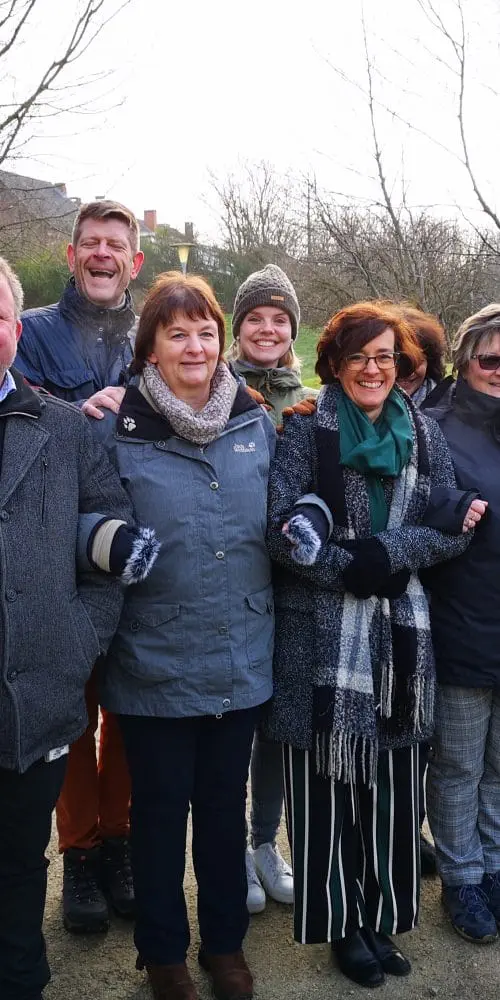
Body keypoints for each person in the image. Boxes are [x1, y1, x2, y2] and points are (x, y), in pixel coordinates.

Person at [265, 301, 469, 989]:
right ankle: (340, 924)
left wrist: (388, 554)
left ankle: (379, 916)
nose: (372, 368)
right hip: (321, 639)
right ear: (333, 363)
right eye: (358, 356)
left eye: (385, 356)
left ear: (401, 363)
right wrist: (346, 567)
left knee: (392, 791)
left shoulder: (423, 431)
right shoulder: (305, 430)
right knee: (327, 792)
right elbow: (280, 529)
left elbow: (454, 522)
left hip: (402, 635)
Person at [88, 271, 275, 1000]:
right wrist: (107, 540)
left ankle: (224, 945)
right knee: (160, 816)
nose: (194, 346)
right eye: (177, 333)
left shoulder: (255, 422)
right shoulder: (115, 426)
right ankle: (162, 952)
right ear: (150, 349)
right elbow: (82, 511)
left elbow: (293, 500)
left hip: (240, 652)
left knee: (223, 813)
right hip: (153, 658)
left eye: (205, 332)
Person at [0, 255, 134, 1000]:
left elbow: (108, 540)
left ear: (16, 329)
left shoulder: (61, 430)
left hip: (32, 697)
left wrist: (78, 636)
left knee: (20, 865)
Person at [227, 263, 314, 913]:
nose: (266, 328)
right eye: (254, 317)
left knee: (278, 728)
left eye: (279, 319)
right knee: (233, 725)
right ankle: (231, 846)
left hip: (294, 588)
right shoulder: (214, 389)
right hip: (234, 581)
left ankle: (265, 841)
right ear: (237, 327)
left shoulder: (310, 401)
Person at [422, 304, 500, 944]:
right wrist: (449, 509)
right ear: (467, 360)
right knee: (458, 766)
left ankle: (495, 866)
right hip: (463, 624)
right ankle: (463, 877)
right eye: (492, 358)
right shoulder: (436, 428)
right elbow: (417, 508)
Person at [395, 304, 448, 875]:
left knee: (424, 725)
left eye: (413, 362)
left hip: (439, 590)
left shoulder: (441, 417)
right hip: (391, 586)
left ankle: (414, 827)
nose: (403, 371)